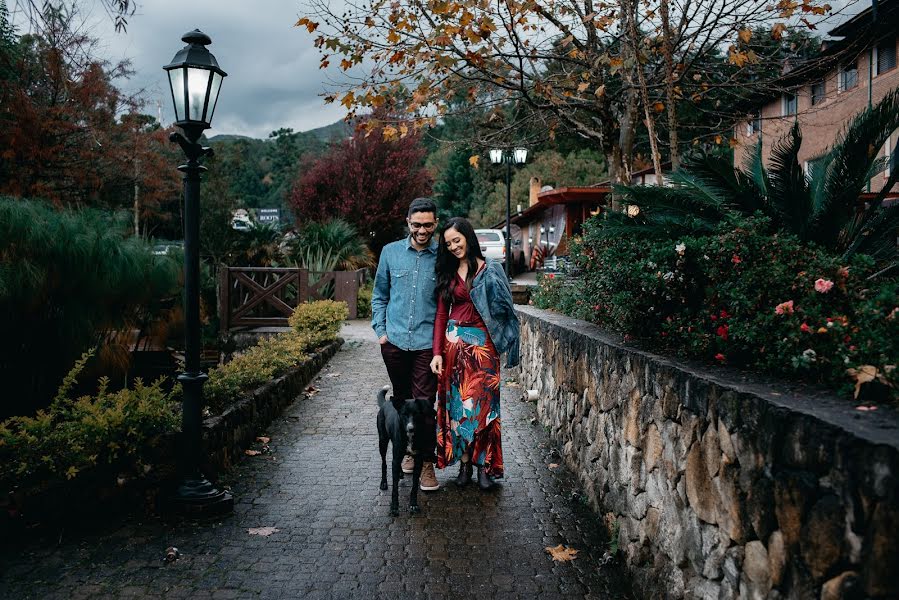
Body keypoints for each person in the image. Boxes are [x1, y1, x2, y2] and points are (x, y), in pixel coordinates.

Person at [430, 217, 520, 490]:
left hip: (483, 350)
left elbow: (507, 311)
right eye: (448, 243)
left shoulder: (490, 270)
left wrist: (509, 345)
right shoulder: (448, 273)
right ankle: (465, 463)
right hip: (453, 349)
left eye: (457, 240)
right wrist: (437, 353)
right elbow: (441, 315)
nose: (454, 246)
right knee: (457, 410)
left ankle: (485, 467)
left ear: (468, 237)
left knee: (485, 410)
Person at [371, 197, 441, 491]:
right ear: (408, 223)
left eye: (427, 225)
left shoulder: (442, 256)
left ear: (435, 223)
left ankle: (426, 464)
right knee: (401, 403)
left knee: (425, 406)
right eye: (417, 224)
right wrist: (381, 332)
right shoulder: (390, 253)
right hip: (395, 342)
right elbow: (380, 295)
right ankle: (407, 455)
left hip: (427, 343)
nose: (422, 230)